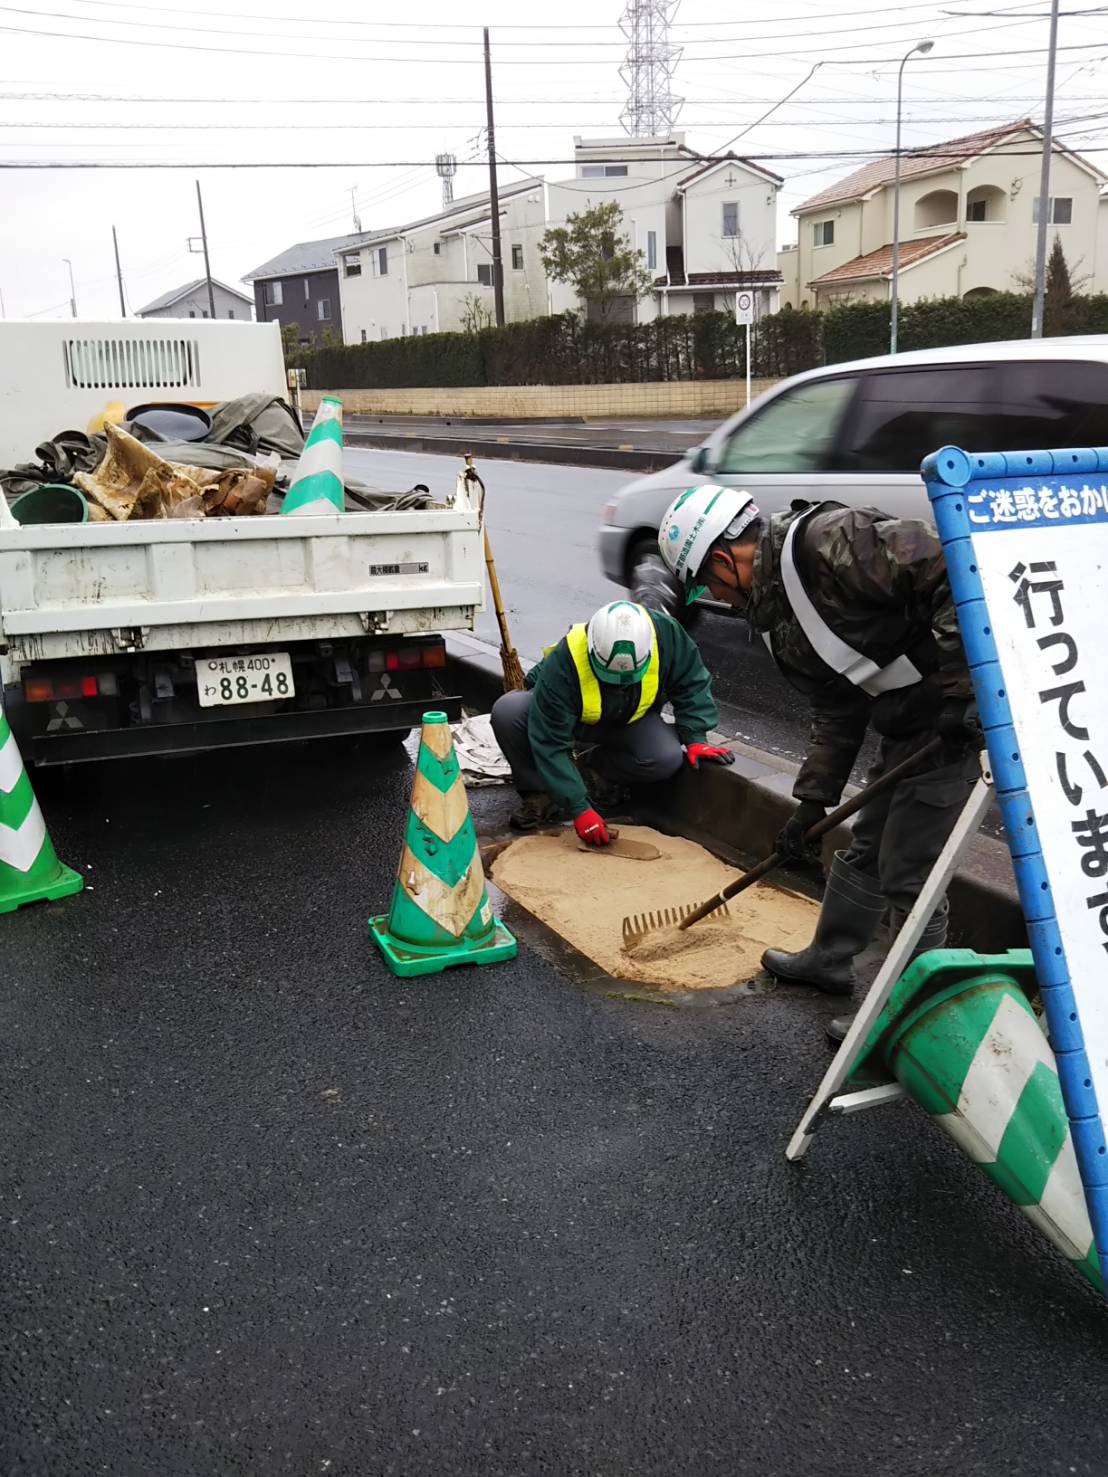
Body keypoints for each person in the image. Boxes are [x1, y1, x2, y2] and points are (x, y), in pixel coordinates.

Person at [656, 484, 982, 1037]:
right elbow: (837, 706)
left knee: (909, 869)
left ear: (720, 559)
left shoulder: (830, 542)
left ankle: (914, 1008)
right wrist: (810, 804)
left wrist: (963, 692)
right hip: (911, 719)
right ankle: (830, 959)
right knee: (867, 849)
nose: (716, 597)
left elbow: (953, 565)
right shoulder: (778, 615)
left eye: (709, 585)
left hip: (957, 715)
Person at [490, 599, 733, 845]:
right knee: (509, 711)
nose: (617, 684)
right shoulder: (564, 662)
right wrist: (579, 810)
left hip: (631, 720)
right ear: (593, 650)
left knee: (665, 757)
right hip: (575, 722)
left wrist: (695, 737)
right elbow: (550, 741)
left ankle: (592, 770)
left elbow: (691, 681)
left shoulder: (665, 634)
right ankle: (542, 792)